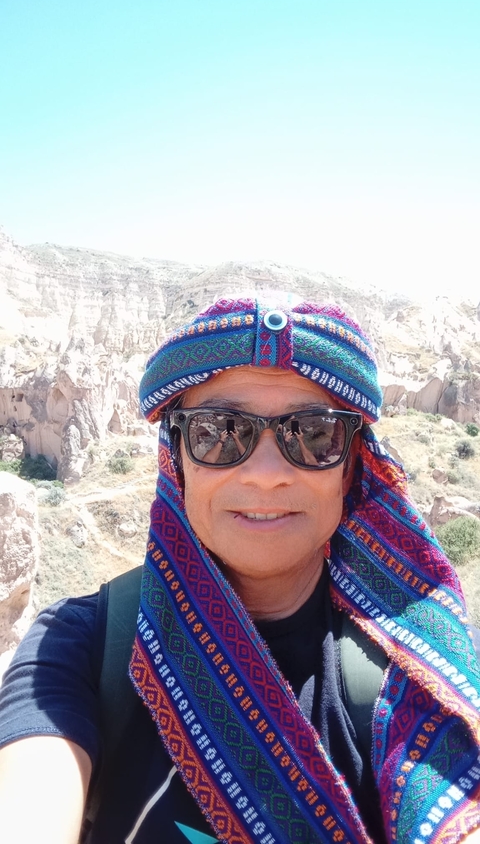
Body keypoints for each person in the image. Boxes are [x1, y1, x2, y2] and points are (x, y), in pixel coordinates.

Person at [0, 293, 480, 844]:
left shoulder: (427, 673)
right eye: (218, 431)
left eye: (314, 432)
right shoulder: (79, 650)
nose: (266, 474)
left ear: (350, 467)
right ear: (176, 458)